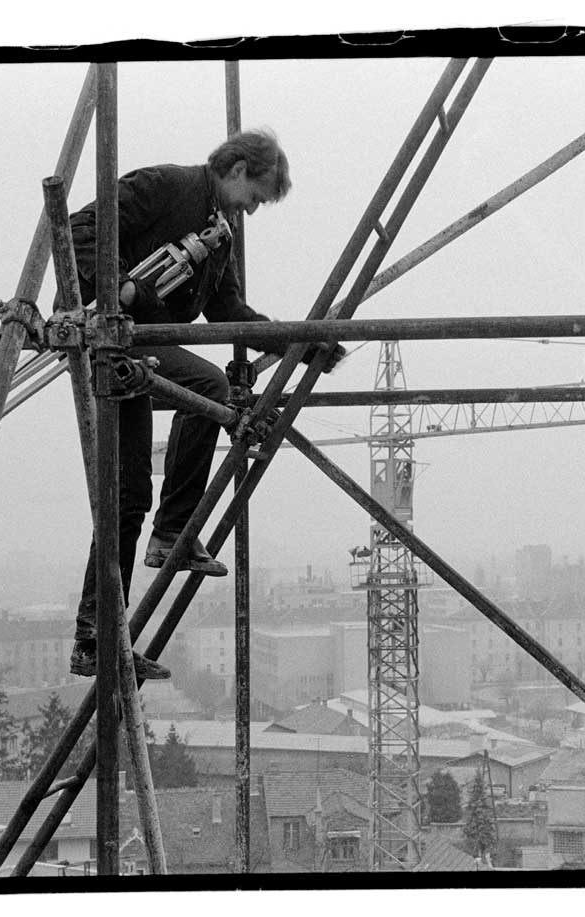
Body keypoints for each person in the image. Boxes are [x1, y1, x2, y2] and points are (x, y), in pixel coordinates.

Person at [66, 129, 344, 679]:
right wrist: (121, 286)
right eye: (257, 196)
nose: (253, 210)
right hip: (106, 331)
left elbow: (228, 312)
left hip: (135, 345)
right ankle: (172, 533)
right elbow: (80, 231)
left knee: (127, 495)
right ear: (237, 170)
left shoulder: (218, 237)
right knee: (208, 389)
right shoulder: (164, 187)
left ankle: (96, 638)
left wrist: (300, 342)